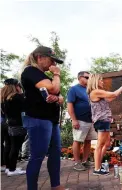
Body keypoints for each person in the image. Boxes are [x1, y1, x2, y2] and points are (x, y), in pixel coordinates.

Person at [20, 46, 65, 190]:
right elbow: (54, 89)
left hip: (51, 120)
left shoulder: (44, 76)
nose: (54, 65)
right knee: (37, 156)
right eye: (52, 60)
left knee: (55, 153)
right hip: (38, 119)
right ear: (40, 57)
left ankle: (56, 186)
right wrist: (57, 75)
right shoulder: (30, 71)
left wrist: (57, 98)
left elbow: (60, 97)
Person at [87, 74, 122, 175]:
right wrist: (121, 87)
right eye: (100, 80)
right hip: (102, 120)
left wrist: (119, 92)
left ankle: (99, 163)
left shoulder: (99, 93)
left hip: (105, 120)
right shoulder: (95, 91)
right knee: (100, 145)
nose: (102, 82)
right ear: (95, 81)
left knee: (107, 144)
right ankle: (97, 168)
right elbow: (113, 94)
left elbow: (109, 98)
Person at [67, 71, 97, 171]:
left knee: (88, 141)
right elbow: (70, 105)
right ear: (80, 78)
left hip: (91, 120)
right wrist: (74, 120)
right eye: (87, 77)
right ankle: (77, 162)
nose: (89, 79)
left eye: (90, 77)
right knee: (78, 140)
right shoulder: (74, 89)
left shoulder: (90, 89)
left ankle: (85, 161)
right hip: (80, 120)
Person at [1, 78, 27, 176]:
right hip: (18, 125)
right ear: (15, 86)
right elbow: (26, 106)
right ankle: (12, 170)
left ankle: (8, 167)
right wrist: (21, 92)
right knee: (15, 147)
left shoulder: (4, 97)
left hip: (8, 124)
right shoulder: (17, 97)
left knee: (8, 146)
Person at [1, 88, 10, 173]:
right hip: (6, 123)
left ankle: (5, 165)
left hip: (3, 122)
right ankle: (7, 166)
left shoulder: (2, 101)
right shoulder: (8, 100)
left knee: (5, 144)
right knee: (9, 144)